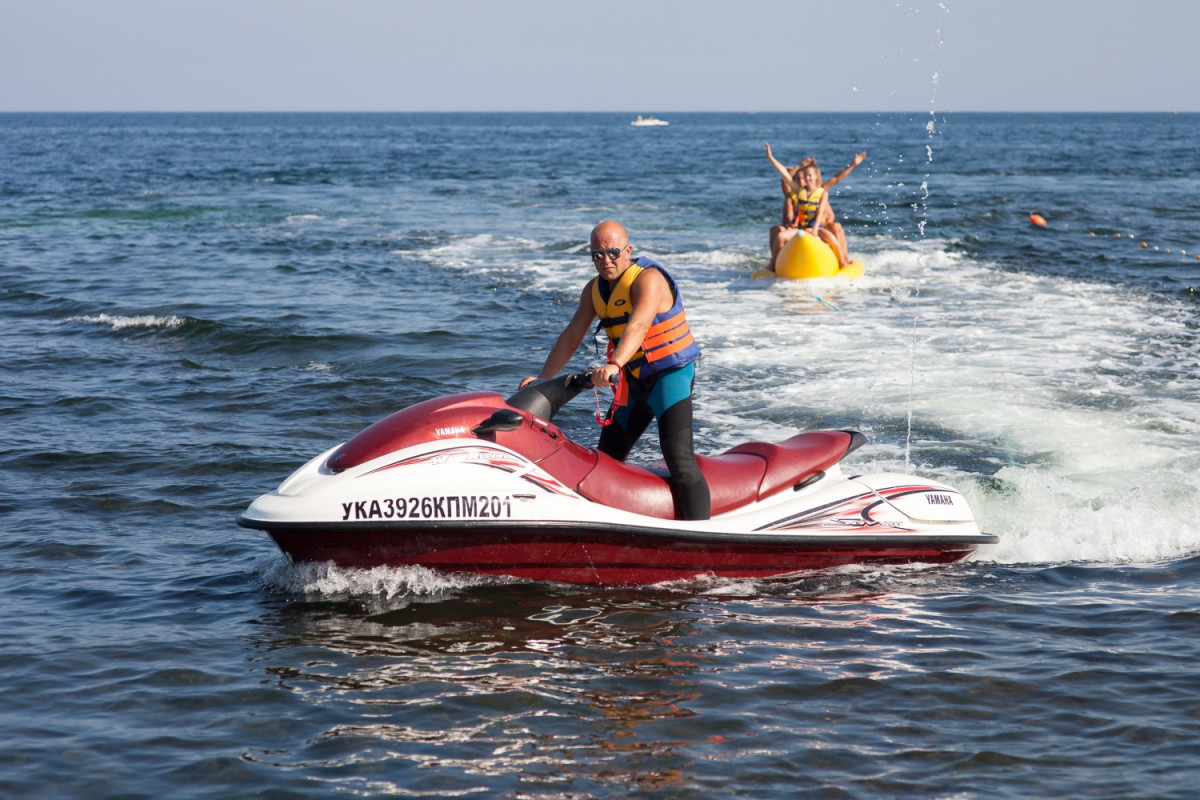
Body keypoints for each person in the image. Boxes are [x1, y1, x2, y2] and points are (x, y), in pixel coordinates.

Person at [520, 221, 711, 520]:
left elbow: (639, 325)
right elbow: (572, 335)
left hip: (669, 377)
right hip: (633, 382)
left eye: (613, 252)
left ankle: (701, 536)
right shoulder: (594, 290)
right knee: (606, 461)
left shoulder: (649, 279)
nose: (605, 260)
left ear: (628, 250)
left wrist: (614, 364)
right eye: (597, 254)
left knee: (681, 463)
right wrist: (543, 379)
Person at [764, 143, 863, 271]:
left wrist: (815, 230)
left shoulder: (822, 193)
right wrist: (770, 157)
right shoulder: (798, 191)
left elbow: (820, 212)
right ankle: (773, 265)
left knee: (832, 239)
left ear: (816, 176)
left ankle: (842, 261)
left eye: (810, 175)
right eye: (805, 176)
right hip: (800, 228)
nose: (807, 178)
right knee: (780, 237)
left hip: (817, 228)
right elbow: (784, 174)